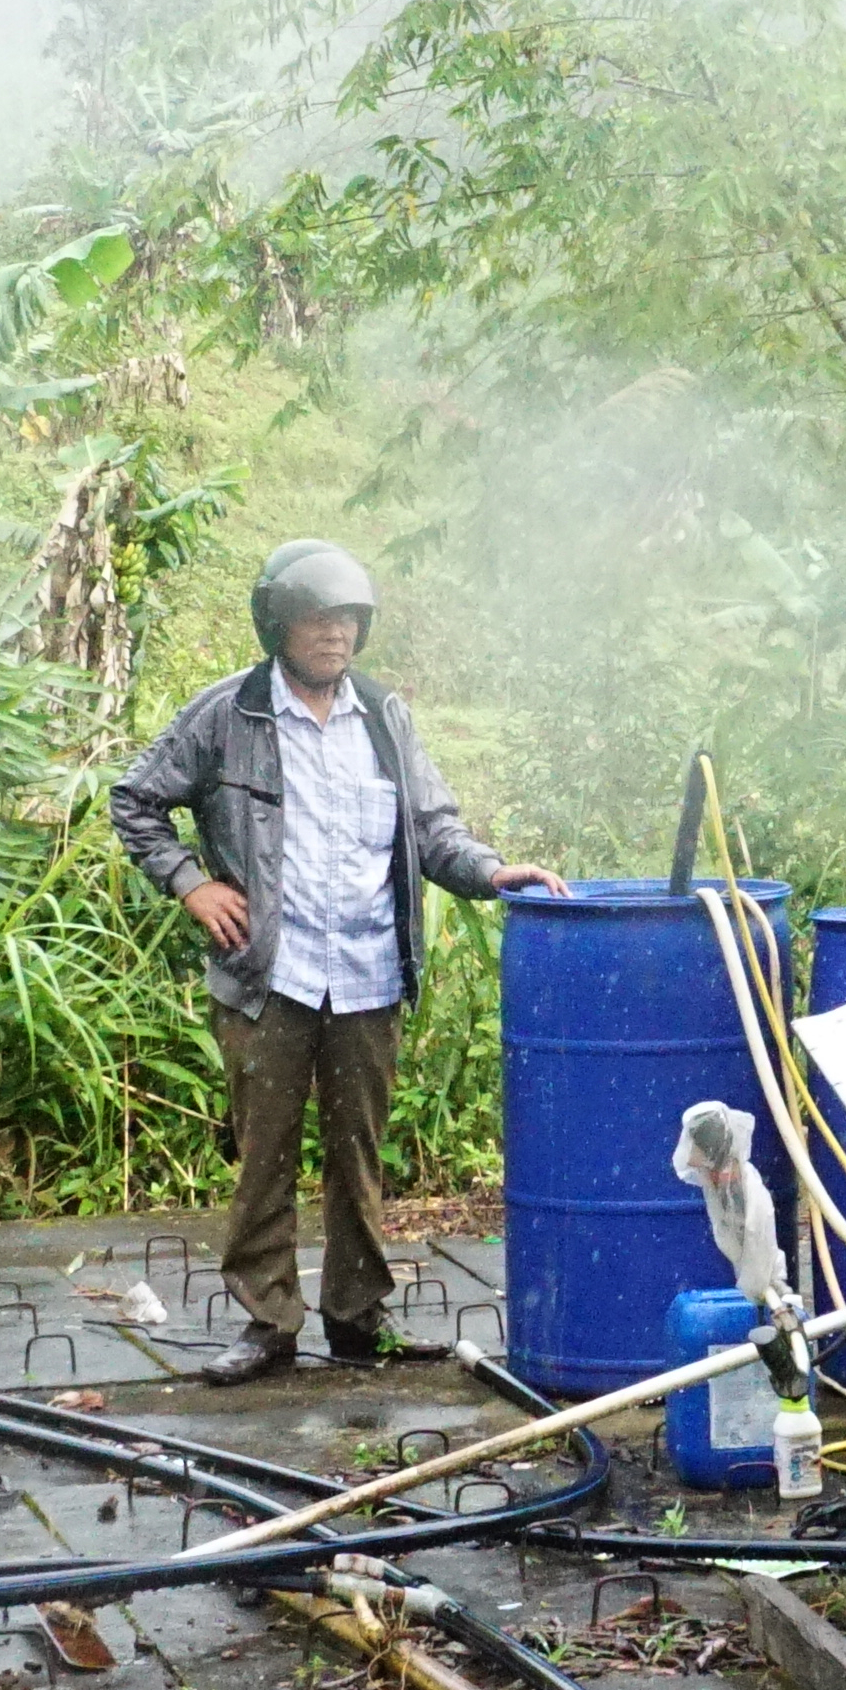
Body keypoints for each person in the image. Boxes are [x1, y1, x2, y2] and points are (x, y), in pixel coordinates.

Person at [106, 537, 557, 1381]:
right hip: (267, 976)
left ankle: (358, 1321)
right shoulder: (229, 713)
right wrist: (192, 886)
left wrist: (492, 872)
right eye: (317, 617)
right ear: (278, 623)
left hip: (367, 975)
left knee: (359, 1156)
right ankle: (268, 1325)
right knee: (265, 1154)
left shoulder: (383, 717)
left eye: (349, 619)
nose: (335, 634)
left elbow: (432, 829)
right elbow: (135, 800)